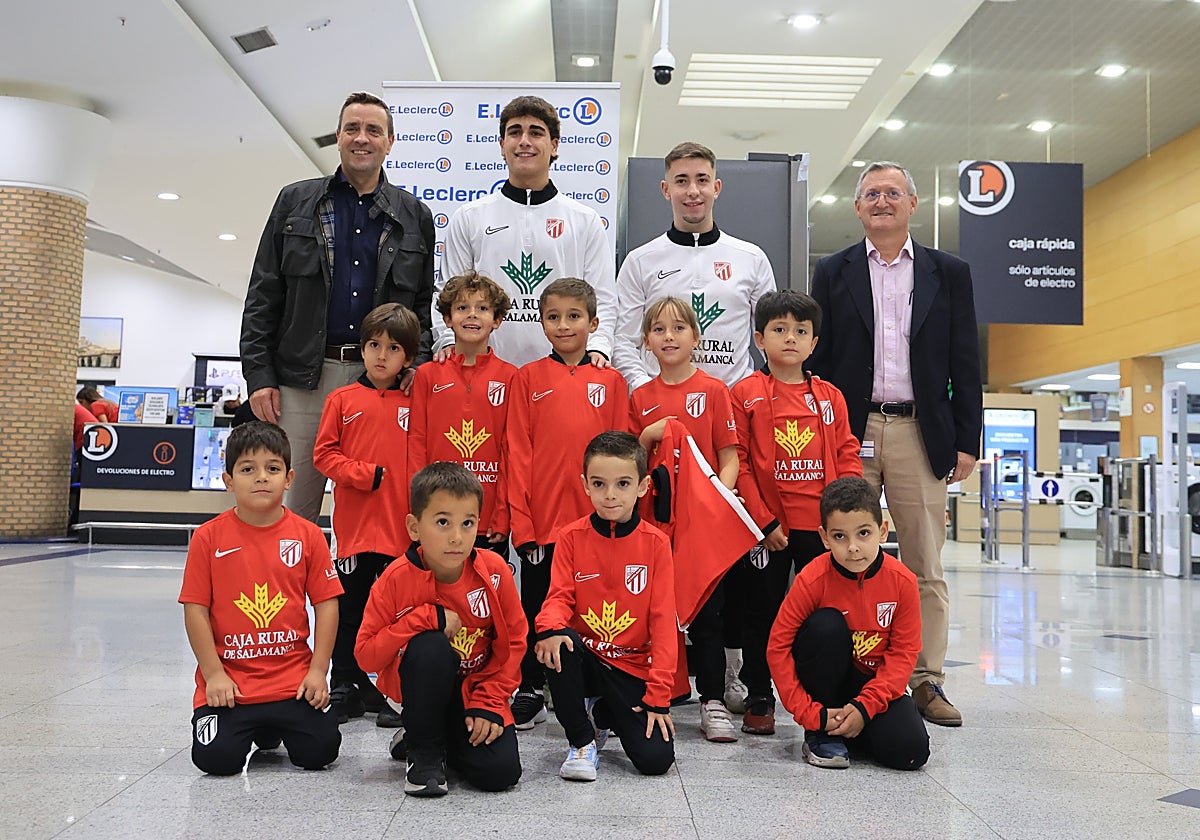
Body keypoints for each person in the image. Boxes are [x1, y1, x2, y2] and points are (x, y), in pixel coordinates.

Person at [807, 161, 982, 727]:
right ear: (857, 207)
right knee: (841, 554)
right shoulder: (832, 271)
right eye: (871, 194)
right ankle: (841, 674)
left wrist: (967, 439)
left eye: (892, 193)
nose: (882, 201)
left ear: (912, 204)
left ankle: (927, 680)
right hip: (849, 430)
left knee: (924, 561)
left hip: (918, 430)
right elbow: (819, 356)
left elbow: (965, 358)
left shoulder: (948, 272)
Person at [241, 91, 435, 524]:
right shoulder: (295, 202)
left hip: (381, 383)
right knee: (292, 512)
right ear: (338, 136)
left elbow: (423, 304)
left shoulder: (415, 216)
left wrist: (417, 364)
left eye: (373, 130)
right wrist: (259, 375)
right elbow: (263, 294)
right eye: (353, 128)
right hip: (302, 383)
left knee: (377, 509)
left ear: (390, 142)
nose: (362, 138)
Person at [731, 290, 862, 737]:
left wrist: (842, 520)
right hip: (767, 529)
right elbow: (740, 464)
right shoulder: (745, 394)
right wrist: (763, 521)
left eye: (800, 331)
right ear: (759, 339)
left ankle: (821, 693)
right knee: (761, 614)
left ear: (813, 342)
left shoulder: (829, 397)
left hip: (821, 531)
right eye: (779, 329)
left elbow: (847, 454)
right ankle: (759, 694)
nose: (790, 338)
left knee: (824, 615)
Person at [178, 422, 342, 775]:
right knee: (216, 760)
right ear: (228, 480)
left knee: (320, 751)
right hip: (232, 686)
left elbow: (327, 604)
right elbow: (195, 610)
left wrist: (318, 671)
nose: (261, 478)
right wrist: (214, 675)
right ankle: (256, 726)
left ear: (289, 478)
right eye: (248, 469)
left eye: (272, 468)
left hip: (292, 683)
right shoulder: (207, 538)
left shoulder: (309, 536)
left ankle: (271, 726)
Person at [355, 462, 524, 797]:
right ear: (414, 527)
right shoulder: (394, 579)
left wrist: (489, 704)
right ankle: (425, 752)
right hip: (421, 689)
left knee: (500, 773)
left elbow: (514, 643)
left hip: (476, 691)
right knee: (431, 646)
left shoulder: (494, 571)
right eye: (443, 522)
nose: (456, 537)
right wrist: (424, 618)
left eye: (468, 523)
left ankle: (434, 735)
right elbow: (366, 656)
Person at [506, 277, 630, 728]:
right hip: (543, 523)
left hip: (594, 522)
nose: (563, 325)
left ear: (593, 323)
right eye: (553, 317)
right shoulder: (527, 378)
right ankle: (530, 686)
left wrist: (618, 515)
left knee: (592, 607)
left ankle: (588, 687)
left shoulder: (611, 381)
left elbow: (622, 453)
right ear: (541, 322)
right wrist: (523, 525)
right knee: (538, 606)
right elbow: (517, 452)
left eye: (574, 317)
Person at [629, 296, 740, 742]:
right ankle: (655, 690)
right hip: (655, 525)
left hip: (701, 527)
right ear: (646, 341)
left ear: (696, 337)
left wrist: (716, 502)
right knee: (654, 610)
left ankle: (712, 700)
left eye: (678, 328)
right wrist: (646, 435)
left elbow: (730, 458)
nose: (669, 337)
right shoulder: (641, 397)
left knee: (708, 613)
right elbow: (630, 464)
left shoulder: (713, 391)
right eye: (658, 329)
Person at [535, 431, 677, 781]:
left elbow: (662, 623)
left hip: (631, 667)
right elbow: (557, 598)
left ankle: (602, 713)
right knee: (557, 640)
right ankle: (582, 741)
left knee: (655, 760)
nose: (610, 494)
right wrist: (550, 627)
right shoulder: (570, 537)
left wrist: (659, 694)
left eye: (622, 484)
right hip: (585, 659)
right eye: (599, 484)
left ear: (643, 486)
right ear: (585, 485)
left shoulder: (656, 544)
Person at [438, 95, 616, 369]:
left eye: (535, 133)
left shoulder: (585, 220)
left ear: (554, 146)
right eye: (515, 132)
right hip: (482, 371)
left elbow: (602, 297)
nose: (524, 141)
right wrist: (447, 341)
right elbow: (448, 293)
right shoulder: (470, 217)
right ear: (502, 145)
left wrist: (598, 347)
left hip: (564, 371)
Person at [767, 477, 929, 770]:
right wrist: (810, 714)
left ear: (882, 531)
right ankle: (821, 732)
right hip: (825, 688)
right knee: (826, 625)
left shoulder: (903, 582)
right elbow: (778, 648)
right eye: (840, 536)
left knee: (911, 752)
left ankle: (848, 729)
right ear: (824, 538)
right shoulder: (811, 579)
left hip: (874, 686)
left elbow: (903, 654)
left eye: (863, 533)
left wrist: (865, 708)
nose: (853, 547)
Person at [313, 303, 422, 728]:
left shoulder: (416, 401)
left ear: (407, 357)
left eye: (393, 348)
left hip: (401, 528)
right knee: (349, 609)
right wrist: (363, 474)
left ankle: (394, 691)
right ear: (361, 348)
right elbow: (324, 455)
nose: (381, 355)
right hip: (355, 529)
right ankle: (344, 684)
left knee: (397, 613)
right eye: (374, 345)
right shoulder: (342, 399)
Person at [613, 141, 776, 390]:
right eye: (681, 181)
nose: (693, 191)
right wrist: (645, 389)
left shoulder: (752, 258)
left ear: (716, 187)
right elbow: (624, 340)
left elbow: (772, 337)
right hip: (662, 402)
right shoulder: (640, 261)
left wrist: (759, 392)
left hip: (733, 402)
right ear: (666, 189)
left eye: (702, 180)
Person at [409, 271, 517, 555]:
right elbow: (417, 444)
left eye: (482, 308)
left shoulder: (510, 377)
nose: (472, 315)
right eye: (462, 307)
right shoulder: (428, 375)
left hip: (487, 516)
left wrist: (502, 512)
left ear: (497, 320)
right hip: (436, 511)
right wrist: (418, 505)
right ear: (447, 319)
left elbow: (511, 451)